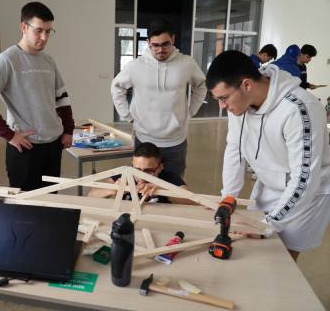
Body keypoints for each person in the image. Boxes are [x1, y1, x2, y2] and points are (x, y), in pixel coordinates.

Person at [206, 50, 330, 261]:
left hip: (309, 193)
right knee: (253, 247)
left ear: (246, 85)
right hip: (269, 182)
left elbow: (304, 180)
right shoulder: (239, 105)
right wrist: (229, 196)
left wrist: (267, 224)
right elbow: (234, 149)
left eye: (224, 98)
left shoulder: (301, 109)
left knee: (282, 260)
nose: (222, 106)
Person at [0, 2, 74, 191]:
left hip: (53, 145)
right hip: (25, 148)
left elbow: (62, 98)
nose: (44, 38)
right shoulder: (6, 60)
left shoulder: (48, 61)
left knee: (52, 201)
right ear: (24, 27)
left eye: (49, 31)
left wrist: (68, 129)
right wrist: (9, 135)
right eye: (39, 31)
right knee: (25, 208)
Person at [111, 18, 206, 179]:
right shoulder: (136, 66)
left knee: (173, 186)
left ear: (173, 40)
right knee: (142, 184)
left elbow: (201, 86)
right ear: (148, 42)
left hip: (175, 141)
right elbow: (116, 87)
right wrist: (127, 116)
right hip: (144, 138)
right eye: (155, 45)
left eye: (165, 44)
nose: (160, 49)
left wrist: (190, 112)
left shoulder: (187, 63)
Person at [87, 142, 187, 203]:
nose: (141, 177)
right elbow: (91, 195)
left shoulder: (169, 177)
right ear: (132, 165)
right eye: (137, 170)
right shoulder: (125, 175)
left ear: (160, 167)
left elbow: (194, 202)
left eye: (148, 171)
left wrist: (164, 189)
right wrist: (112, 190)